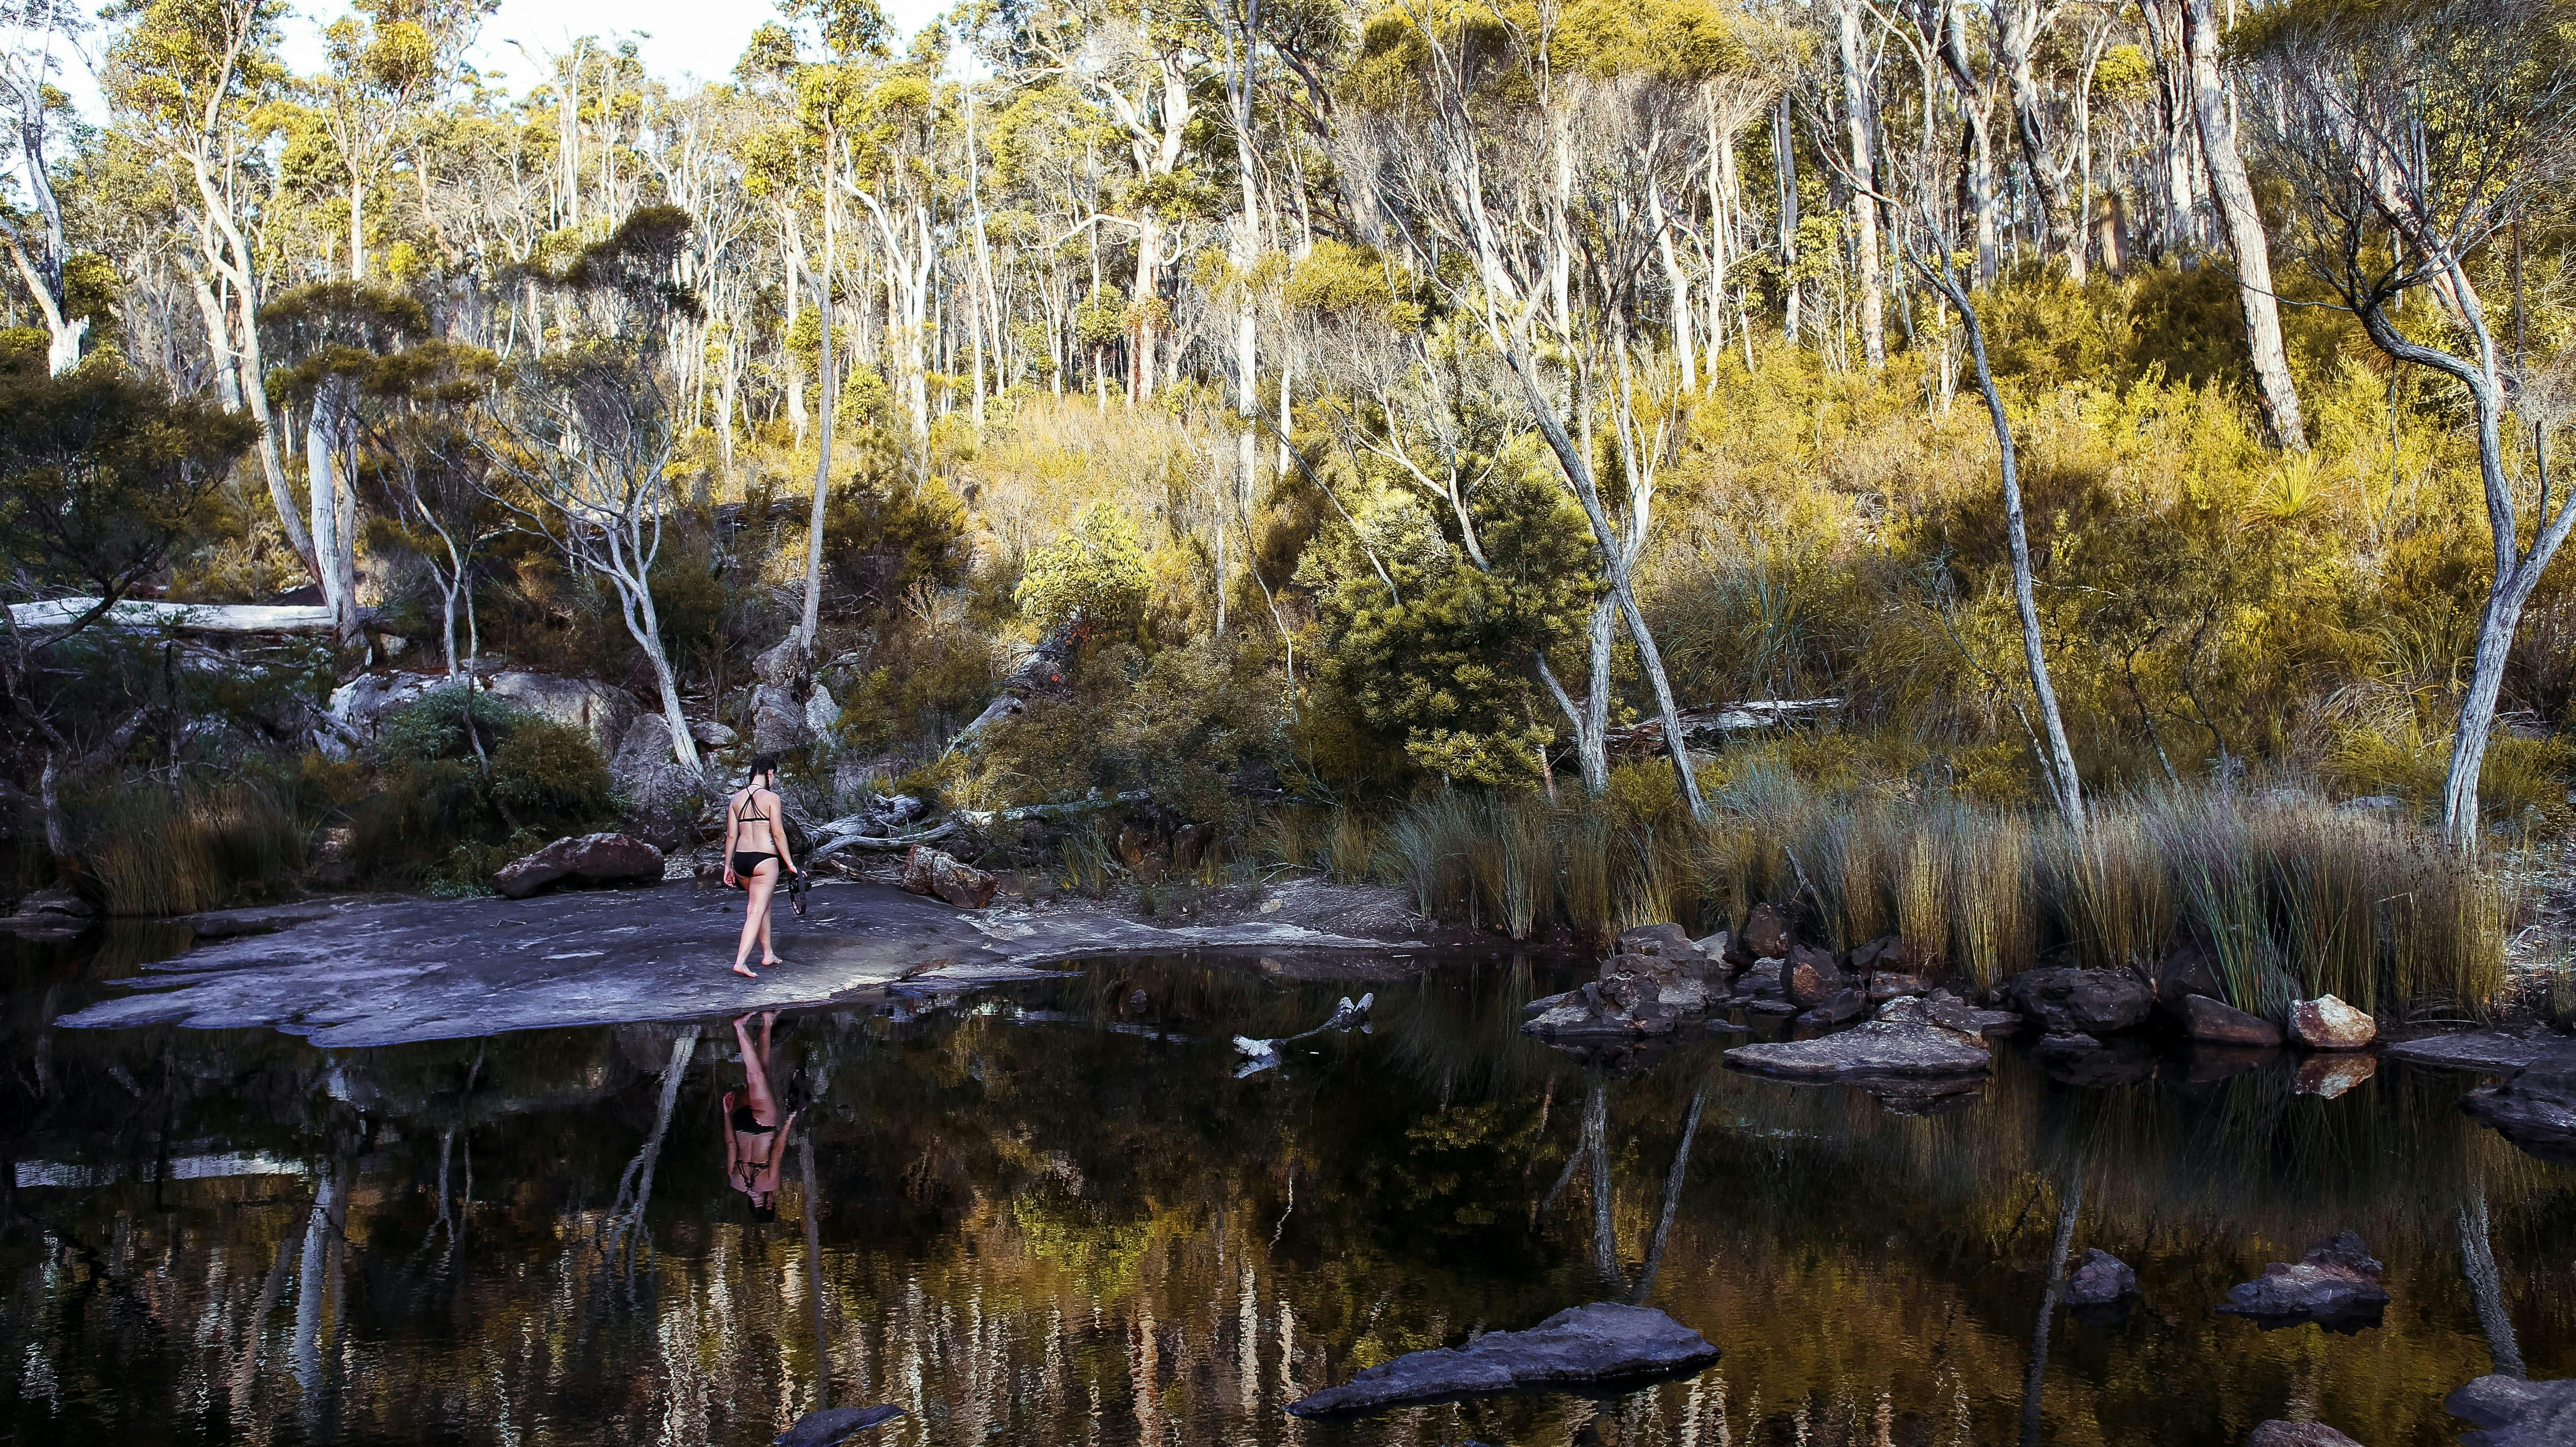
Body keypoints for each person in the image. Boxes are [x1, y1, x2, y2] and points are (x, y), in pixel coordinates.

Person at [723, 753, 799, 978]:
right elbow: (777, 833)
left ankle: (768, 954)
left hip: (741, 861)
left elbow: (731, 837)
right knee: (756, 909)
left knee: (762, 905)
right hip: (765, 859)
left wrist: (728, 867)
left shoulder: (736, 799)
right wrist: (790, 864)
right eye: (774, 775)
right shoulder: (771, 798)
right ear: (770, 773)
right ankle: (741, 961)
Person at [720, 1010, 798, 1222]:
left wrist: (789, 1120)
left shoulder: (769, 1184)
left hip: (764, 1125)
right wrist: (727, 1115)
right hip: (740, 1124)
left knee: (755, 1075)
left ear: (769, 1205)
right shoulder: (736, 1182)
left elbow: (778, 1150)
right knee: (762, 1074)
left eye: (773, 1204)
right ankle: (768, 1022)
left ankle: (739, 1028)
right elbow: (730, 1144)